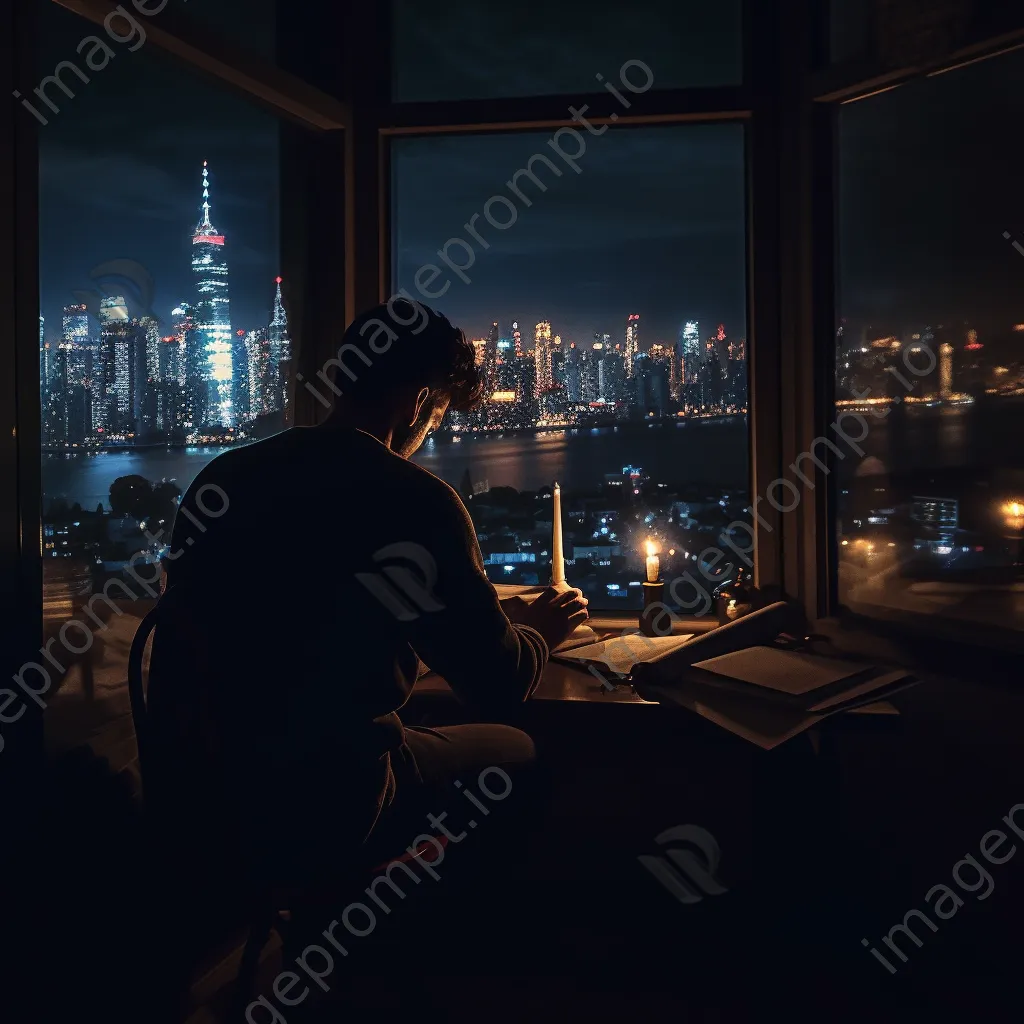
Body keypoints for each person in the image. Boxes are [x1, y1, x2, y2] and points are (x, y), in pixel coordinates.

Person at [145, 299, 588, 890]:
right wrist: (539, 632)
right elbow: (497, 686)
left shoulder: (224, 478)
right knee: (519, 754)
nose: (430, 435)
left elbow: (303, 628)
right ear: (418, 401)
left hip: (201, 803)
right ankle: (445, 953)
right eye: (438, 418)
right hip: (332, 805)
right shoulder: (414, 500)